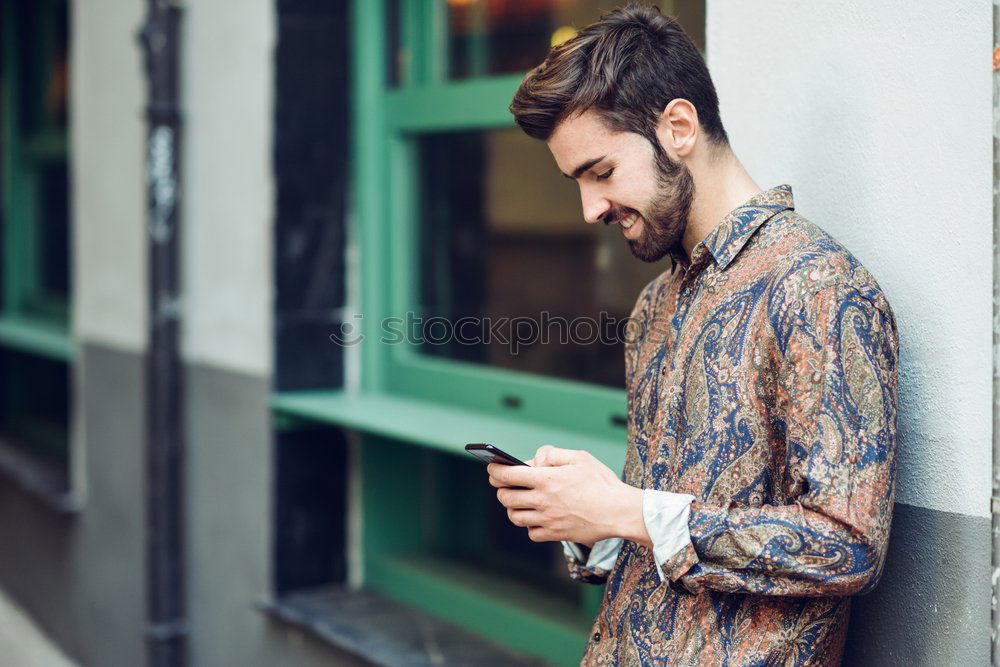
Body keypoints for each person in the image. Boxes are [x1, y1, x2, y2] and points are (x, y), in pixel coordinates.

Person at [485, 3, 900, 665]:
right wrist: (591, 515)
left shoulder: (817, 285)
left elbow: (847, 545)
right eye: (578, 182)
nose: (590, 208)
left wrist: (629, 511)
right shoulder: (653, 306)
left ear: (677, 126)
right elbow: (659, 519)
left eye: (601, 172)